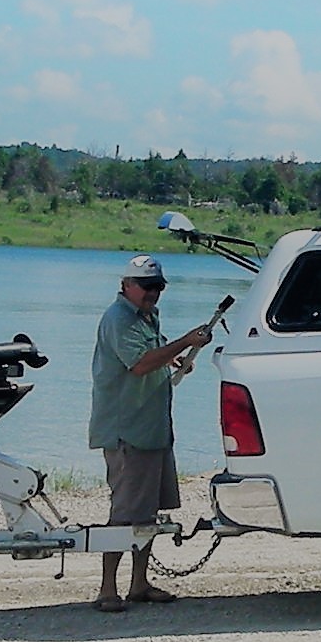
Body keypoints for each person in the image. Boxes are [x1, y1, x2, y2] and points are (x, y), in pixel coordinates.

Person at [88, 253, 213, 612]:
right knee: (124, 512)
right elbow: (141, 364)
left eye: (157, 287)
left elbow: (151, 352)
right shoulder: (118, 318)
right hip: (127, 431)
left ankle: (139, 583)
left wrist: (175, 358)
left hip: (151, 427)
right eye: (146, 286)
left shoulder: (147, 316)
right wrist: (186, 341)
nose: (152, 293)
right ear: (126, 285)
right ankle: (107, 589)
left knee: (146, 513)